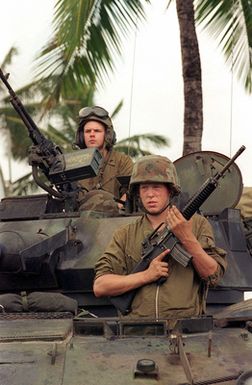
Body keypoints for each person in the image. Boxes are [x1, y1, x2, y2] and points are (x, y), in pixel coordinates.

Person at [93, 155, 227, 322]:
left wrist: (187, 237)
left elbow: (212, 275)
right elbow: (100, 286)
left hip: (185, 331)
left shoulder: (197, 224)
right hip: (137, 331)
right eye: (144, 188)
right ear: (137, 193)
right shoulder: (125, 233)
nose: (150, 194)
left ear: (170, 191)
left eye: (156, 187)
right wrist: (146, 275)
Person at [75, 106, 133, 206]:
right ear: (81, 136)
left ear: (107, 135)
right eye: (88, 131)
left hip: (114, 218)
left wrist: (117, 209)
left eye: (97, 131)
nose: (91, 135)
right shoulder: (74, 163)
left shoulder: (122, 161)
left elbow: (131, 190)